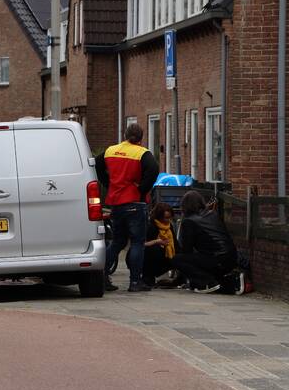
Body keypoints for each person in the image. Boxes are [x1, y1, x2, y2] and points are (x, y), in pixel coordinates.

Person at [95, 123, 159, 292]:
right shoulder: (142, 153)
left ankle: (102, 275)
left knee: (117, 241)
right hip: (135, 203)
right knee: (137, 242)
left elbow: (97, 165)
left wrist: (108, 183)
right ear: (141, 137)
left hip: (116, 202)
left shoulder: (110, 151)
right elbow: (153, 170)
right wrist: (142, 189)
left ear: (125, 135)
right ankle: (135, 282)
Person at [171, 191, 237, 293]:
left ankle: (208, 283)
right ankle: (219, 283)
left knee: (177, 259)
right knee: (199, 258)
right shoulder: (213, 214)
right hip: (231, 258)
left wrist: (181, 276)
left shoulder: (189, 221)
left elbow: (186, 250)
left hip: (216, 259)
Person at [142, 202, 178, 287]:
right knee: (154, 250)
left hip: (164, 254)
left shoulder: (169, 226)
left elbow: (175, 243)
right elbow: (141, 244)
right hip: (149, 255)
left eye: (169, 217)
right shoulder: (150, 226)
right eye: (166, 218)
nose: (168, 220)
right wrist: (157, 241)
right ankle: (147, 277)